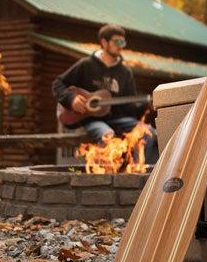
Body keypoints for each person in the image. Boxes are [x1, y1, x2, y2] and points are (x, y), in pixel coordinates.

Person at [52, 24, 158, 163]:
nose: (121, 45)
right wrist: (72, 99)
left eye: (123, 42)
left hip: (118, 120)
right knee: (107, 136)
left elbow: (130, 108)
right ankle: (107, 175)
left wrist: (146, 106)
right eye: (117, 41)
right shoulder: (86, 65)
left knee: (148, 132)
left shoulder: (125, 73)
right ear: (104, 42)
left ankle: (138, 172)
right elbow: (58, 84)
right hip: (92, 120)